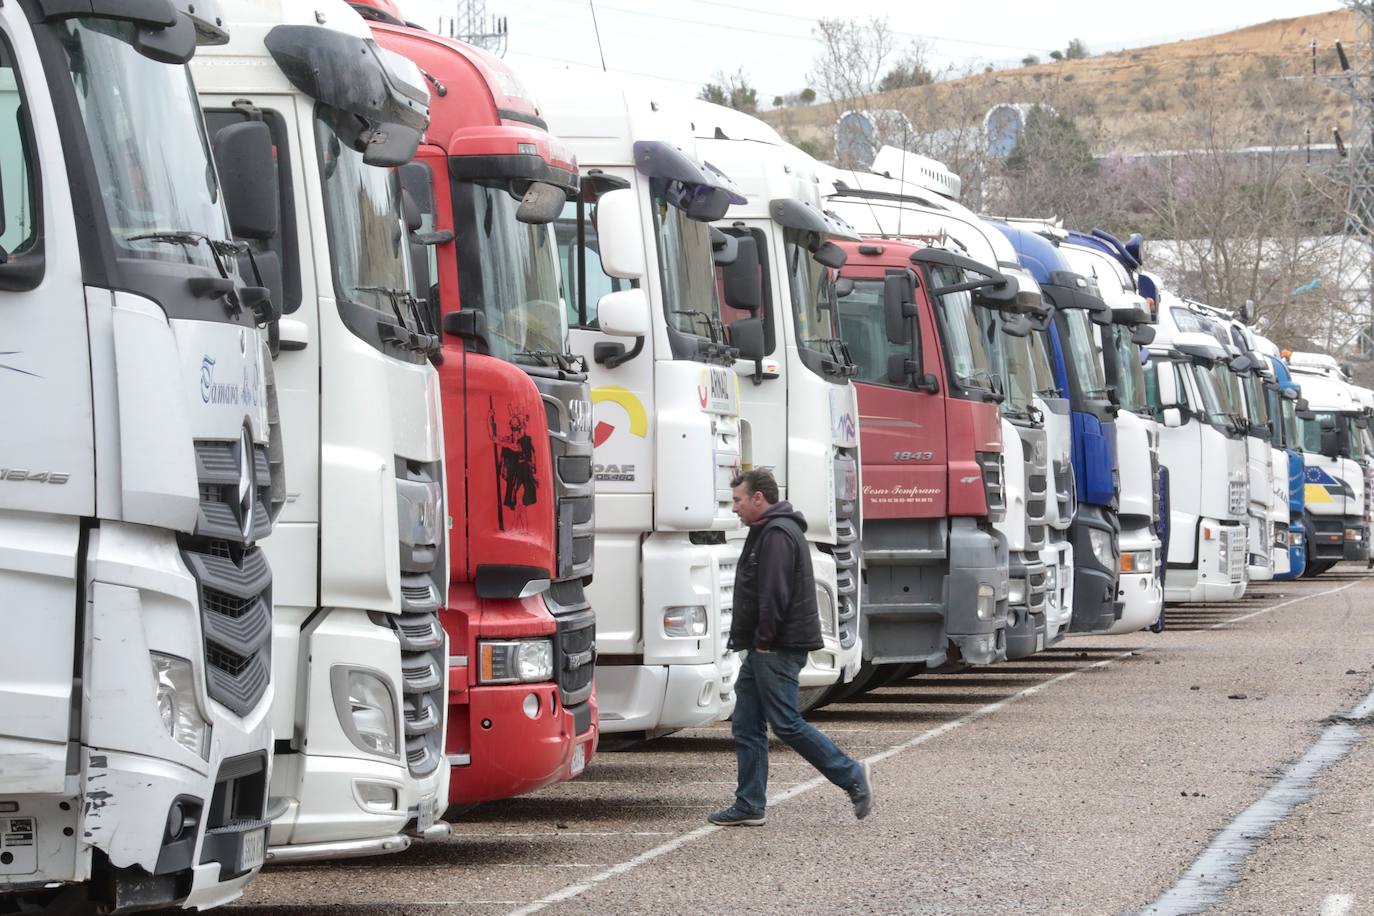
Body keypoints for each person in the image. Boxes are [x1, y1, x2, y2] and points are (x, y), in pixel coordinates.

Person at [709, 469, 873, 827]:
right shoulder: (769, 531)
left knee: (786, 723)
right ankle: (750, 803)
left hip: (775, 647)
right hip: (763, 647)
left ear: (758, 498)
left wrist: (765, 641)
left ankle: (851, 775)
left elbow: (774, 594)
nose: (734, 507)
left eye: (738, 500)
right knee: (747, 723)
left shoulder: (778, 534)